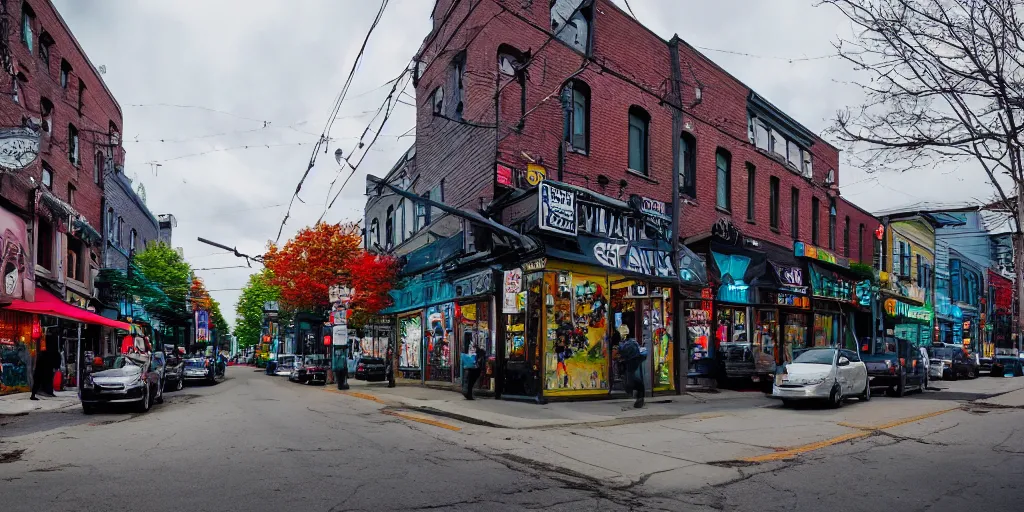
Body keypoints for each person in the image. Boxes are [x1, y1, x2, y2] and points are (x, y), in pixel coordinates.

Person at [618, 337, 646, 408]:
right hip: (632, 361)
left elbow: (624, 352)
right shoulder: (632, 343)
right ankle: (639, 396)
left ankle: (639, 395)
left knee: (630, 381)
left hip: (632, 361)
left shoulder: (629, 344)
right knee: (630, 379)